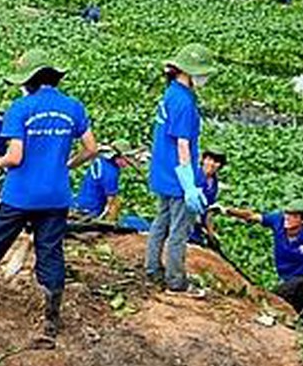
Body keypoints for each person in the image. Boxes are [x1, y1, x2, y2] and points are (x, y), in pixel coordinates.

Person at [0, 50, 97, 343]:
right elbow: (92, 148)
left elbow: (15, 156)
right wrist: (66, 165)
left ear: (29, 80)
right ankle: (51, 316)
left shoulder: (21, 107)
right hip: (56, 194)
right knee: (50, 250)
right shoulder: (72, 107)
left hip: (21, 193)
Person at [146, 43, 215, 296]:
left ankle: (152, 269)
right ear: (188, 71)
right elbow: (183, 145)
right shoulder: (184, 102)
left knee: (160, 222)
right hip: (177, 176)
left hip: (162, 172)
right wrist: (189, 184)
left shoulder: (170, 94)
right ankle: (176, 281)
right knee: (179, 230)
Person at [219, 200, 303, 314]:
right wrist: (226, 210)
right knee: (295, 306)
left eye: (294, 216)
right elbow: (252, 216)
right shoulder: (278, 221)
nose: (287, 218)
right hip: (287, 275)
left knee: (278, 296)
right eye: (287, 214)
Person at [72, 140, 138, 221]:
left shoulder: (101, 161)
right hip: (91, 210)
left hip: (81, 202)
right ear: (117, 156)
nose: (127, 164)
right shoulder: (110, 172)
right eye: (126, 159)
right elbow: (112, 204)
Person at [190, 150, 226, 246]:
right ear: (203, 160)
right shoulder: (194, 176)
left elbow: (208, 210)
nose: (212, 164)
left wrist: (210, 232)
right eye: (209, 159)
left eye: (216, 161)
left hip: (197, 223)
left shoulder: (214, 183)